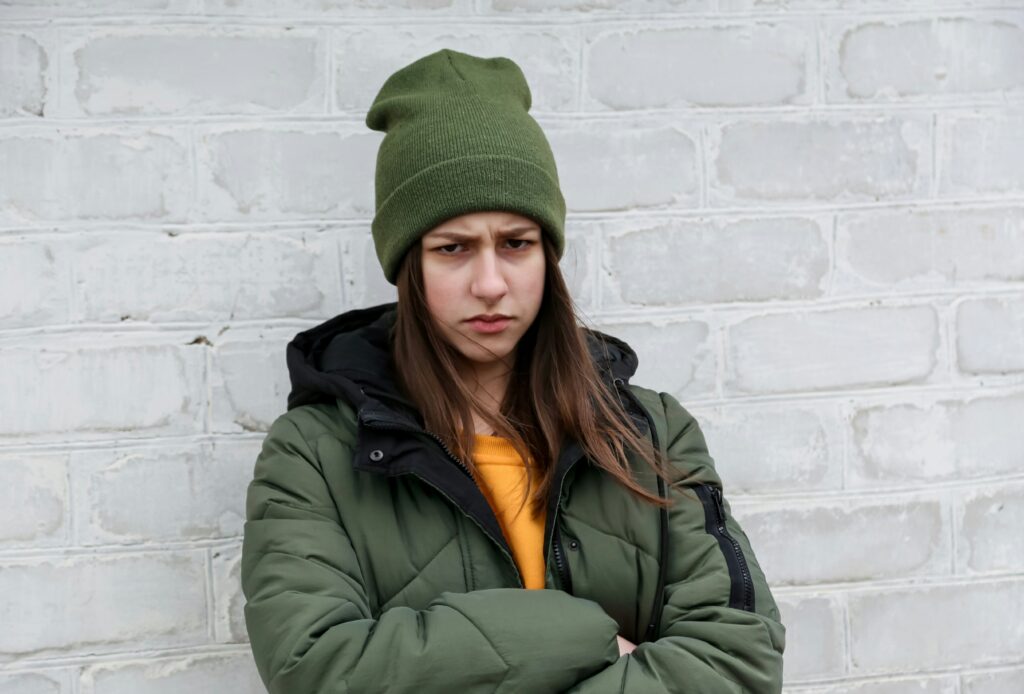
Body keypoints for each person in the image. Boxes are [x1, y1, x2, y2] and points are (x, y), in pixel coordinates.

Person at [240, 48, 785, 693]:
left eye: (516, 243)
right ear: (409, 267)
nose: (491, 283)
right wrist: (585, 637)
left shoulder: (652, 433)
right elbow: (317, 670)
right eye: (453, 249)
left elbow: (737, 661)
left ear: (547, 257)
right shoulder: (315, 455)